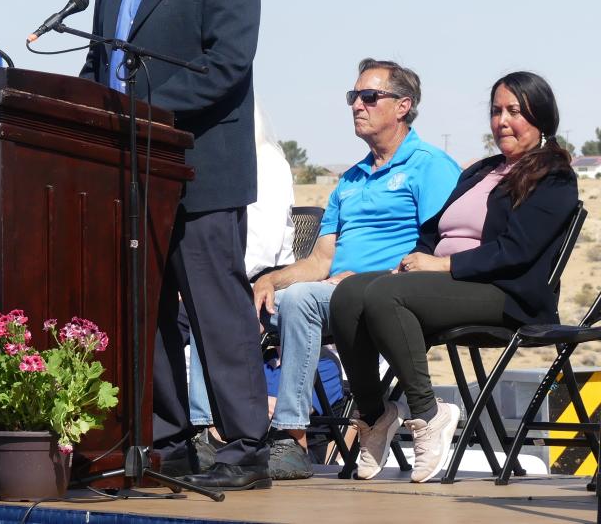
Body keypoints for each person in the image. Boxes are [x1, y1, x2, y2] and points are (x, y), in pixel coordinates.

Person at [79, 0, 269, 490]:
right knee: (146, 310)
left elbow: (227, 65)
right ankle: (169, 442)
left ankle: (246, 448)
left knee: (218, 313)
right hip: (129, 173)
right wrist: (85, 110)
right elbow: (100, 60)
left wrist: (142, 110)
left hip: (200, 168)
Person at [330, 71, 578, 484]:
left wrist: (442, 266)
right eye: (496, 111)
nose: (502, 121)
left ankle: (429, 414)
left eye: (514, 111)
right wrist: (415, 260)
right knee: (350, 293)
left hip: (505, 294)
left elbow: (516, 252)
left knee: (386, 296)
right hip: (446, 285)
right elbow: (433, 230)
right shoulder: (481, 171)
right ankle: (374, 415)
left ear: (541, 118)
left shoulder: (552, 177)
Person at [251, 58, 461, 480]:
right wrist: (267, 279)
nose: (357, 105)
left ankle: (290, 437)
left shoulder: (430, 165)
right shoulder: (350, 180)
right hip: (333, 294)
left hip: (392, 294)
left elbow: (439, 247)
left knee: (302, 299)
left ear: (403, 106)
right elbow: (319, 261)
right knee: (232, 297)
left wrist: (367, 279)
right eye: (353, 97)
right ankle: (209, 436)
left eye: (369, 96)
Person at [187, 98, 295, 459]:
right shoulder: (222, 167)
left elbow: (260, 249)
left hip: (265, 284)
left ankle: (207, 429)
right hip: (228, 278)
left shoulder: (266, 163)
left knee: (211, 307)